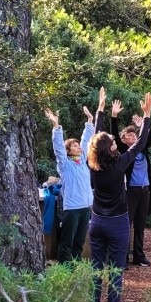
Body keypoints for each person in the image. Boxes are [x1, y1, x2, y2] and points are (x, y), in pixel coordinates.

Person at [88, 87, 151, 302]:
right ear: (112, 149)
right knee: (116, 269)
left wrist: (100, 110)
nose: (116, 141)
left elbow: (97, 139)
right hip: (116, 223)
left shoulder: (93, 164)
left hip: (96, 222)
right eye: (113, 142)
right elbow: (140, 144)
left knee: (96, 267)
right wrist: (146, 117)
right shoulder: (119, 165)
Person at [110, 100, 151, 267]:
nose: (132, 136)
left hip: (144, 191)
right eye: (129, 135)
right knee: (127, 224)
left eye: (134, 134)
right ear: (123, 139)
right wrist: (114, 116)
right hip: (130, 192)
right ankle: (123, 258)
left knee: (140, 225)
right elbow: (114, 134)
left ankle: (139, 256)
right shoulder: (124, 151)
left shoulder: (142, 148)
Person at [45, 106, 94, 264]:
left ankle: (75, 272)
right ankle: (64, 272)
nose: (78, 146)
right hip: (72, 209)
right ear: (68, 151)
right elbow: (58, 147)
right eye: (74, 145)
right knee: (67, 243)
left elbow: (86, 141)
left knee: (79, 243)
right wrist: (56, 126)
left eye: (78, 145)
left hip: (86, 208)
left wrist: (90, 122)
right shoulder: (65, 164)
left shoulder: (83, 162)